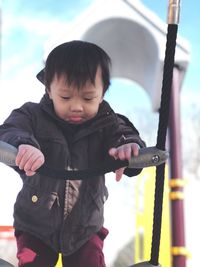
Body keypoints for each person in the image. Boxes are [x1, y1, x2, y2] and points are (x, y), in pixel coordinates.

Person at [0, 40, 145, 267]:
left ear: (102, 93)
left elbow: (126, 137)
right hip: (35, 224)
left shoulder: (109, 124)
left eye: (88, 98)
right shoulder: (33, 115)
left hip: (86, 227)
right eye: (65, 97)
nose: (76, 106)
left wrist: (128, 149)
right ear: (49, 90)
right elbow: (9, 131)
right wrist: (23, 145)